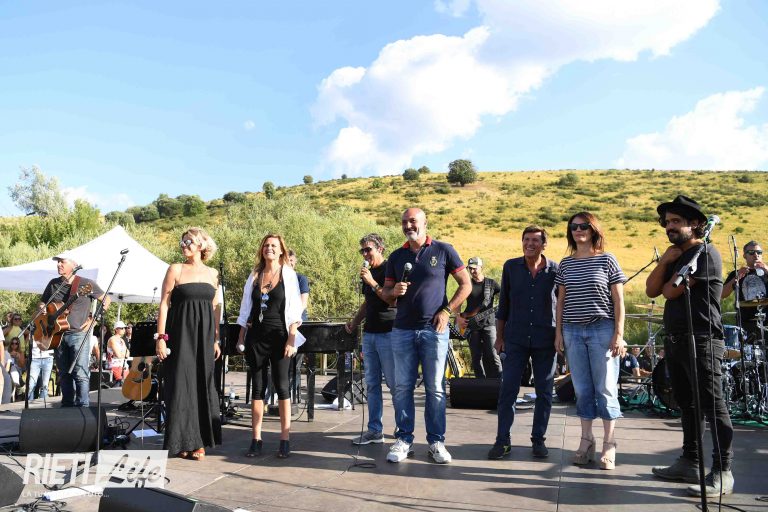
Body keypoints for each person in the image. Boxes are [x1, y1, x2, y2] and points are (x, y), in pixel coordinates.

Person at [646, 195, 734, 497]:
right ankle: (690, 461)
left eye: (676, 222)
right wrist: (665, 261)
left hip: (703, 339)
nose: (669, 227)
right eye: (667, 222)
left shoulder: (706, 253)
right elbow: (651, 289)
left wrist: (670, 267)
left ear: (695, 224)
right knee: (687, 405)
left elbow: (670, 292)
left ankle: (723, 470)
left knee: (712, 404)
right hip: (676, 339)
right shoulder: (679, 257)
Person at [382, 207, 472, 464]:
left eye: (413, 221)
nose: (408, 226)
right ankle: (404, 439)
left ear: (425, 223)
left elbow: (466, 284)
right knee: (402, 387)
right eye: (404, 222)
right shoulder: (396, 256)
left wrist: (447, 310)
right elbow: (386, 295)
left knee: (435, 388)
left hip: (435, 331)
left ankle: (436, 442)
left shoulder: (444, 250)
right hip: (402, 330)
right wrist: (393, 292)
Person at [554, 211, 625, 471]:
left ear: (593, 229)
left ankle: (609, 442)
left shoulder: (607, 259)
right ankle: (586, 440)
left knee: (605, 388)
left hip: (602, 329)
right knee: (582, 389)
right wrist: (558, 333)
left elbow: (618, 300)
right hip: (572, 330)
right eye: (573, 227)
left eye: (583, 226)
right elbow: (561, 301)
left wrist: (619, 334)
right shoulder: (565, 264)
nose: (578, 230)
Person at [489, 226, 558, 460]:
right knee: (508, 390)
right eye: (526, 239)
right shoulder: (511, 267)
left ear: (544, 244)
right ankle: (502, 440)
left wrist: (560, 336)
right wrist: (499, 337)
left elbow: (561, 306)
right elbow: (503, 305)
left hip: (545, 339)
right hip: (515, 338)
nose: (530, 244)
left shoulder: (555, 270)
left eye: (535, 240)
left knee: (544, 392)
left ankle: (538, 440)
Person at [155, 227, 222, 461]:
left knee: (202, 384)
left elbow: (216, 308)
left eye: (189, 242)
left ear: (202, 245)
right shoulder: (175, 269)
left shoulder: (213, 273)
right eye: (182, 242)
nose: (184, 245)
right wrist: (161, 338)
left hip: (205, 336)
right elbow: (164, 305)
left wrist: (216, 339)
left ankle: (199, 442)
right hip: (179, 334)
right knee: (181, 386)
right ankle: (181, 441)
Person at [237, 233, 305, 459]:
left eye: (274, 245)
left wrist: (291, 339)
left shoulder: (288, 275)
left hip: (280, 336)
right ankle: (256, 439)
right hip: (256, 338)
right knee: (258, 388)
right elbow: (246, 308)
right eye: (266, 245)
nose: (270, 248)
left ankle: (284, 440)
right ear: (262, 249)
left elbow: (295, 309)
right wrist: (241, 337)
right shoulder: (255, 275)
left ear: (281, 250)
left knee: (282, 386)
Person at [345, 233, 397, 445]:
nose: (365, 254)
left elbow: (392, 300)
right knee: (372, 385)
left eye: (368, 249)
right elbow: (368, 302)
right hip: (370, 334)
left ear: (380, 249)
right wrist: (355, 322)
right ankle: (375, 430)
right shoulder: (368, 273)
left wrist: (372, 281)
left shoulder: (389, 269)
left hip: (389, 332)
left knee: (394, 384)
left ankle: (403, 429)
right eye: (362, 251)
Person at [39, 254, 109, 407]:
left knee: (80, 373)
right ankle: (67, 406)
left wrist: (93, 320)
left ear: (73, 264)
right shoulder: (53, 284)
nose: (59, 264)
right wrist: (42, 308)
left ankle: (83, 407)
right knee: (64, 373)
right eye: (58, 262)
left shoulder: (86, 283)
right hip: (57, 335)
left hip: (78, 334)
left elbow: (106, 300)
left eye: (62, 262)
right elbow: (43, 302)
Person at [457, 257, 502, 378]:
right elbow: (458, 302)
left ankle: (500, 381)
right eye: (470, 269)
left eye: (474, 268)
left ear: (481, 267)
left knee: (493, 354)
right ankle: (480, 383)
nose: (472, 271)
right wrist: (459, 317)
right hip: (471, 324)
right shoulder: (467, 284)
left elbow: (505, 297)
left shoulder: (491, 284)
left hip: (488, 324)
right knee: (476, 357)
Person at [722, 240, 767, 340]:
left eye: (759, 252)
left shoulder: (766, 271)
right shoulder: (736, 273)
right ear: (744, 256)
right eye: (751, 252)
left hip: (766, 322)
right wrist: (737, 277)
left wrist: (766, 269)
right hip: (746, 324)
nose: (756, 255)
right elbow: (722, 294)